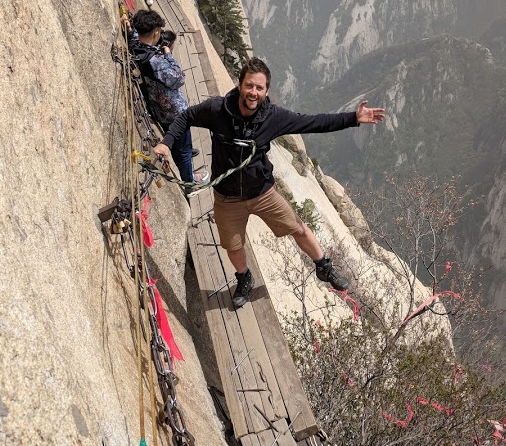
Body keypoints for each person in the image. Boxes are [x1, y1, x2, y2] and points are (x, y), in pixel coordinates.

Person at [153, 57, 385, 307]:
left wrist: (352, 118)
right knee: (232, 246)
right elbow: (185, 117)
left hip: (262, 192)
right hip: (227, 197)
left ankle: (323, 267)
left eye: (259, 88)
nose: (253, 92)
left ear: (266, 91)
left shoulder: (273, 117)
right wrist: (166, 142)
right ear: (240, 85)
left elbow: (314, 122)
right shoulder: (217, 110)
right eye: (249, 86)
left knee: (299, 228)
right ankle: (244, 277)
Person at [129, 9, 209, 195]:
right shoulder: (155, 60)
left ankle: (185, 163)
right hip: (174, 112)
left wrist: (130, 25)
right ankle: (189, 183)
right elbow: (178, 78)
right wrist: (168, 55)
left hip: (158, 109)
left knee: (177, 143)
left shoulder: (136, 46)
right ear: (156, 33)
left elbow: (134, 35)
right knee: (184, 149)